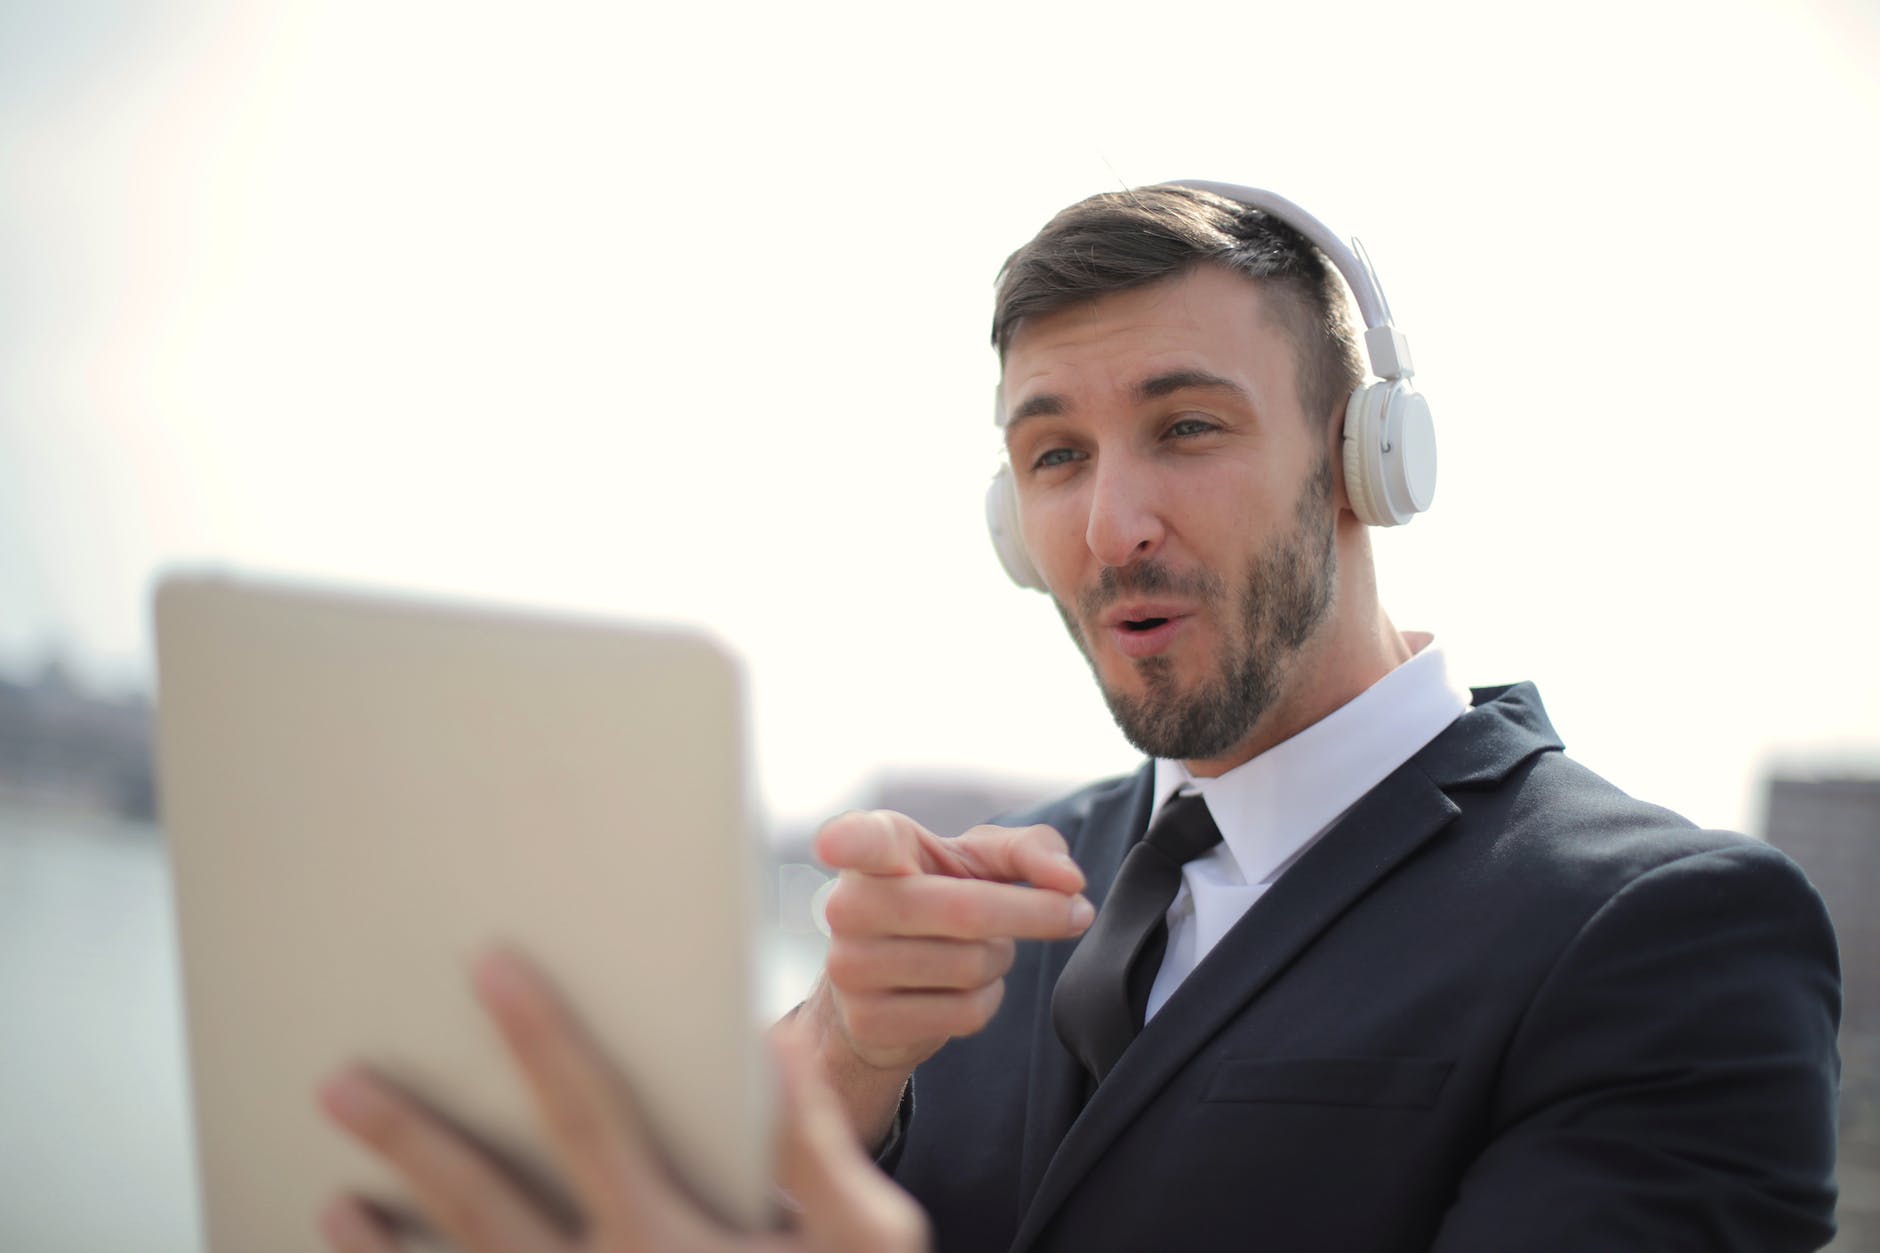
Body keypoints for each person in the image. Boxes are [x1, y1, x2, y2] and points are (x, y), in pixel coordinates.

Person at [321, 183, 1842, 1251]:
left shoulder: (1666, 936)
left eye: (1186, 428)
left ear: (1365, 462)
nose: (1113, 522)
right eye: (1054, 455)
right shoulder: (994, 892)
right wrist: (843, 1053)